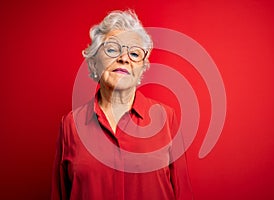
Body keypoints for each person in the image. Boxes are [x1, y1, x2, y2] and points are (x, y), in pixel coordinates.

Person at [51, 9, 193, 200]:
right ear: (94, 63)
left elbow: (183, 194)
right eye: (112, 49)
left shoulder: (166, 118)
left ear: (142, 68)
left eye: (134, 53)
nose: (124, 58)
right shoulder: (70, 125)